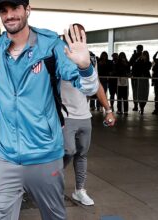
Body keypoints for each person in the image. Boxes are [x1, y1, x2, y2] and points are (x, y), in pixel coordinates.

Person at [0, 0, 99, 219]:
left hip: (45, 156)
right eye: (4, 10)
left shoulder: (51, 46)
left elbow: (89, 87)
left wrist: (85, 67)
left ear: (28, 9)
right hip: (3, 157)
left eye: (15, 8)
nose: (9, 15)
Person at [61, 23, 116, 206]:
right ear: (67, 36)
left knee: (82, 154)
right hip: (64, 115)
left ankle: (80, 190)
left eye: (82, 35)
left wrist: (108, 110)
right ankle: (49, 183)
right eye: (75, 34)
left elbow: (96, 84)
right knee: (68, 151)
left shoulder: (90, 58)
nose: (79, 38)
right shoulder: (58, 55)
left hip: (84, 116)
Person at [130, 45, 144, 111]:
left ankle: (140, 106)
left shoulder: (143, 56)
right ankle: (136, 105)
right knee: (135, 91)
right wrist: (134, 56)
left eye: (140, 49)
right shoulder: (134, 55)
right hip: (134, 75)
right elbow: (130, 63)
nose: (139, 50)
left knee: (140, 91)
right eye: (138, 49)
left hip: (140, 76)